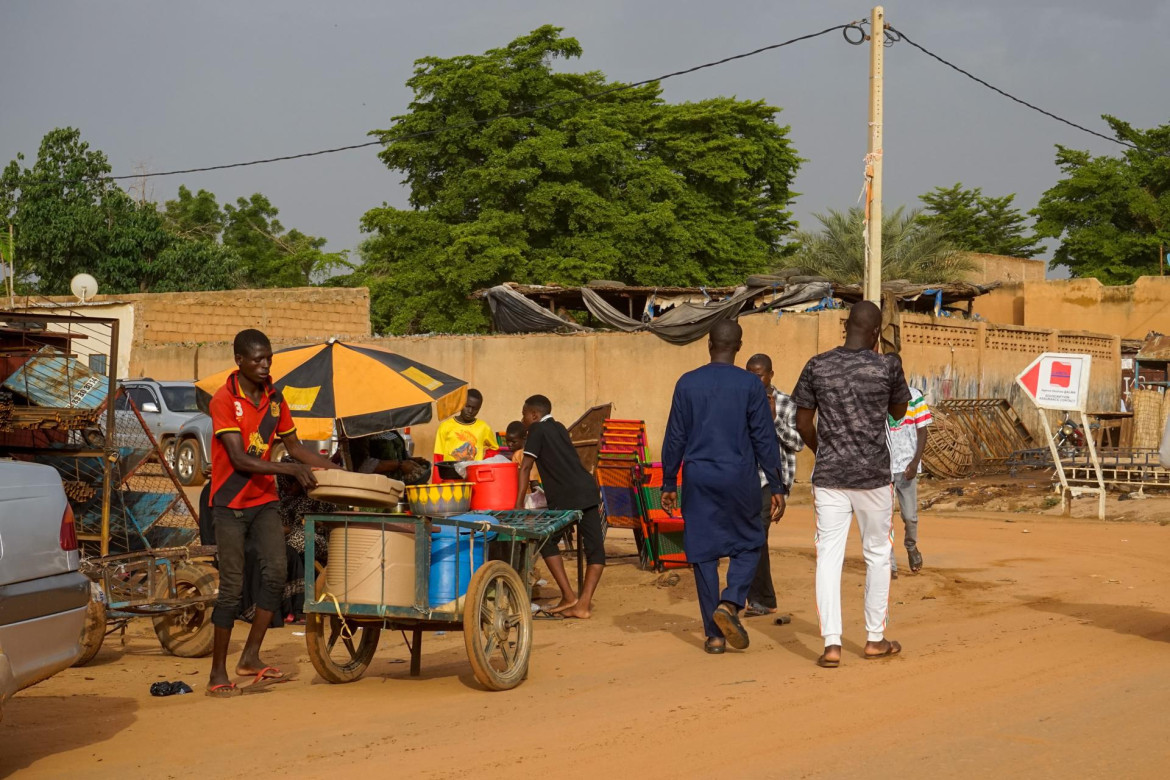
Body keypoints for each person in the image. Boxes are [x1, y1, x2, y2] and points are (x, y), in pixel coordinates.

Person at [205, 328, 339, 698]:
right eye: (257, 359)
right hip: (230, 502)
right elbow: (239, 458)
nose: (265, 365)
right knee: (231, 587)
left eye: (269, 359)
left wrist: (334, 467)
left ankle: (250, 656)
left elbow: (295, 447)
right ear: (239, 361)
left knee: (277, 574)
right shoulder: (223, 400)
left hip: (263, 500)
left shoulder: (276, 399)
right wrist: (290, 470)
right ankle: (217, 672)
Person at [792, 301, 910, 668]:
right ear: (876, 333)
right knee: (877, 555)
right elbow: (899, 413)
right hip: (873, 478)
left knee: (828, 557)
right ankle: (874, 639)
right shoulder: (888, 366)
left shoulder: (817, 365)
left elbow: (803, 423)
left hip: (830, 478)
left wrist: (824, 450)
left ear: (846, 326)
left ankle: (831, 644)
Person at [661, 321, 786, 655]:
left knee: (702, 553)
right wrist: (776, 484)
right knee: (750, 542)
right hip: (739, 476)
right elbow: (764, 437)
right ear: (739, 347)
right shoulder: (750, 385)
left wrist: (669, 480)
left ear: (709, 344)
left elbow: (675, 436)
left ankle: (714, 636)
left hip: (699, 476)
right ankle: (731, 602)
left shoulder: (687, 383)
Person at [514, 395, 604, 619]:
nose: (522, 419)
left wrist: (517, 505)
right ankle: (582, 604)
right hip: (588, 490)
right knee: (596, 550)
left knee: (546, 540)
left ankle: (568, 595)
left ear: (534, 415)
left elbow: (525, 467)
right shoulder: (560, 427)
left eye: (524, 414)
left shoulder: (536, 430)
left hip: (567, 497)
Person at [744, 353, 804, 617]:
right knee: (752, 537)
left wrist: (773, 419)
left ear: (770, 375)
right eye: (749, 374)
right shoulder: (741, 400)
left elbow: (798, 443)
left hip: (771, 481)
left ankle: (758, 598)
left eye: (759, 374)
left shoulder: (786, 404)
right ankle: (763, 597)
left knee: (756, 535)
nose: (754, 379)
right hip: (744, 479)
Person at [887, 385, 932, 577]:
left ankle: (911, 547)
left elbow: (923, 431)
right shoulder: (878, 394)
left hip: (906, 466)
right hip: (883, 468)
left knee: (910, 516)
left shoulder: (914, 397)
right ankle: (889, 565)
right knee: (884, 519)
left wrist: (915, 462)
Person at [341, 429, 430, 484]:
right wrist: (400, 464)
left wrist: (410, 460)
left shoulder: (390, 428)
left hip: (397, 487)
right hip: (376, 492)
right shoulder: (360, 432)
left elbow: (396, 450)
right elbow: (363, 466)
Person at [433, 389, 496, 462]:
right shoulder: (445, 426)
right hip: (450, 472)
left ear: (479, 408)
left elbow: (494, 449)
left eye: (475, 409)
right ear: (461, 403)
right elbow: (438, 455)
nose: (470, 411)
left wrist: (484, 462)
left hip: (473, 472)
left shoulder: (484, 427)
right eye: (467, 406)